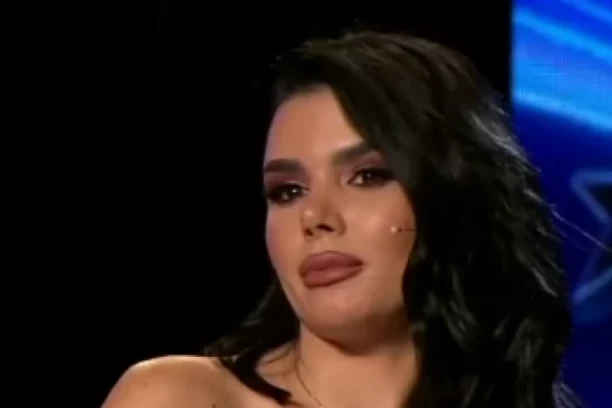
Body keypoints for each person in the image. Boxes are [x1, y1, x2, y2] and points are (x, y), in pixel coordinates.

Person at [102, 31, 582, 408]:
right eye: (287, 191)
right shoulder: (179, 397)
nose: (314, 217)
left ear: (453, 195)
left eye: (368, 176)